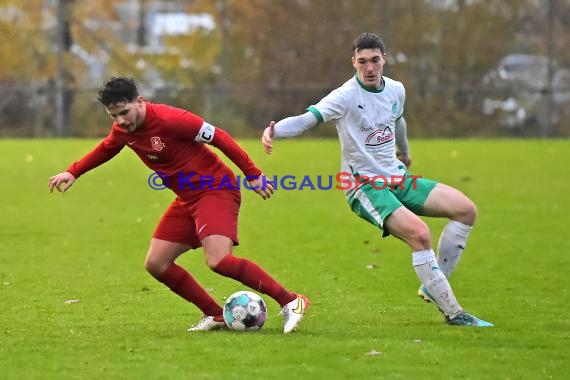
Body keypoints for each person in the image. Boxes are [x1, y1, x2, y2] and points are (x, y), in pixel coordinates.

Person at [261, 33, 492, 327]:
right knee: (420, 235)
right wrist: (275, 131)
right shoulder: (345, 96)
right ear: (354, 62)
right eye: (362, 62)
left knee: (465, 210)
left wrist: (404, 151)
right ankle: (455, 314)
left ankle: (434, 282)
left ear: (384, 59)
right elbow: (308, 119)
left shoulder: (396, 90)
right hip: (362, 186)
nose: (369, 68)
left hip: (396, 176)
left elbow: (398, 120)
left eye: (374, 61)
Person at [49, 77, 308, 333]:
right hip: (187, 199)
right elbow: (107, 148)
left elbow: (220, 137)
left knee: (219, 260)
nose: (120, 121)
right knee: (156, 263)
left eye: (124, 112)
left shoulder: (172, 119)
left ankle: (290, 301)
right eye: (113, 116)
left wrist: (252, 174)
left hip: (215, 189)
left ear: (139, 102)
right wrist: (74, 172)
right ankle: (215, 315)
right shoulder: (122, 130)